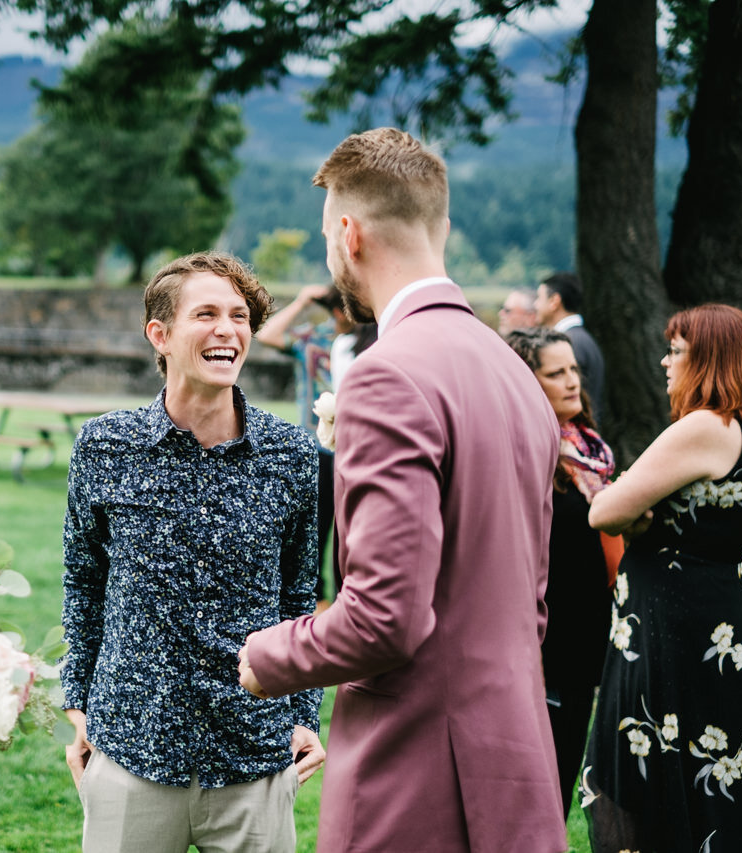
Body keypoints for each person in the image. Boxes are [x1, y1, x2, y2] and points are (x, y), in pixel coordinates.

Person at [237, 128, 567, 852]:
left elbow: (384, 617)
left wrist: (266, 654)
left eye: (328, 234)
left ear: (348, 235)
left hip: (416, 774)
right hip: (517, 754)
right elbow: (531, 604)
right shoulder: (515, 370)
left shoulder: (387, 374)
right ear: (440, 225)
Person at [60, 251, 326, 853]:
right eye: (205, 314)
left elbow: (298, 595)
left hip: (254, 753)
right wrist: (78, 705)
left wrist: (305, 713)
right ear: (161, 334)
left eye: (239, 316)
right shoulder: (104, 446)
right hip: (133, 748)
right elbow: (84, 582)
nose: (227, 330)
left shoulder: (292, 455)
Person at [580, 303, 742, 852]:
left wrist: (626, 496)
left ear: (710, 359)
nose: (664, 361)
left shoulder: (703, 426)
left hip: (671, 630)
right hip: (719, 620)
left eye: (676, 351)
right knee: (716, 778)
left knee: (664, 776)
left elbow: (603, 512)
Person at [506, 327, 615, 817]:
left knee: (558, 789)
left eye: (574, 369)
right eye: (556, 373)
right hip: (539, 646)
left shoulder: (590, 452)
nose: (573, 381)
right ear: (527, 382)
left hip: (585, 644)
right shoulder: (522, 455)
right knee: (528, 796)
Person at [255, 284, 357, 607]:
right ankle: (314, 602)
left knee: (352, 529)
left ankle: (347, 599)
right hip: (318, 446)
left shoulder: (368, 342)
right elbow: (267, 335)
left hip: (356, 448)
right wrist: (300, 301)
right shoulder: (315, 339)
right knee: (315, 527)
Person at [535, 271, 605, 424]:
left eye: (539, 298)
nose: (535, 305)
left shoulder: (570, 343)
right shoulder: (583, 338)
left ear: (554, 301)